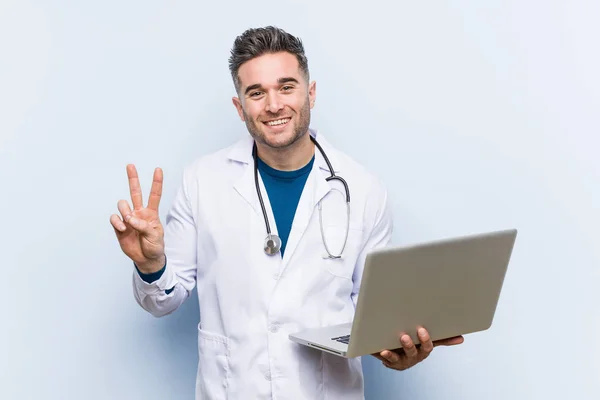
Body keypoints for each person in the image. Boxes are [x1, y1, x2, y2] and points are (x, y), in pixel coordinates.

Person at [110, 26, 463, 400]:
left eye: (286, 87)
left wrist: (398, 352)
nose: (274, 104)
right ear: (239, 106)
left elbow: (372, 316)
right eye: (256, 92)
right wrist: (151, 264)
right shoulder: (202, 181)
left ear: (310, 92)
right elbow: (162, 299)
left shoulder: (363, 190)